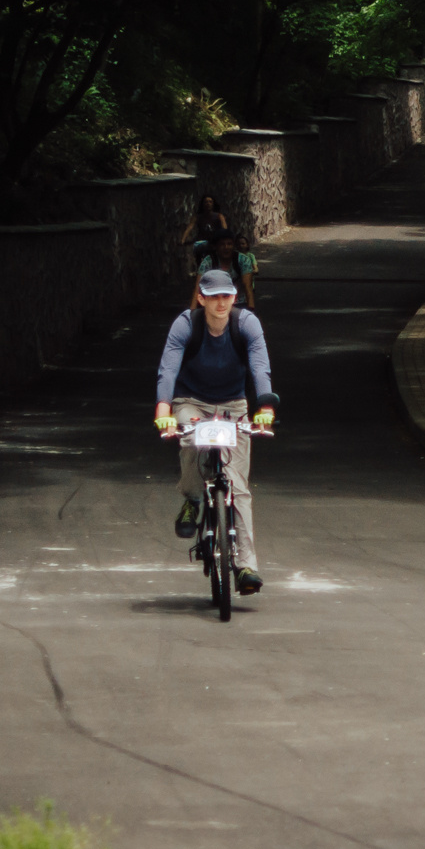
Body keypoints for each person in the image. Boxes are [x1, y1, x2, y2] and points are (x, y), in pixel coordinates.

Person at [156, 269, 278, 595]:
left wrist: (264, 406)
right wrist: (163, 408)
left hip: (233, 406)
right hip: (191, 401)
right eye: (213, 297)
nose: (220, 302)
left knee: (238, 485)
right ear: (202, 299)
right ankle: (193, 499)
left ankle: (246, 566)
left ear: (234, 297)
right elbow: (168, 367)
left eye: (226, 295)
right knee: (192, 439)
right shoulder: (186, 324)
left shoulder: (246, 324)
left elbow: (259, 364)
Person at [185, 194, 231, 276]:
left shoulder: (219, 216)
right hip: (202, 241)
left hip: (215, 241)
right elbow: (190, 227)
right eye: (206, 202)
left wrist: (224, 237)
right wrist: (183, 239)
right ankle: (200, 271)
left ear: (213, 204)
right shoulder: (198, 217)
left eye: (210, 202)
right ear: (202, 204)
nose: (208, 203)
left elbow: (224, 228)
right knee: (198, 251)